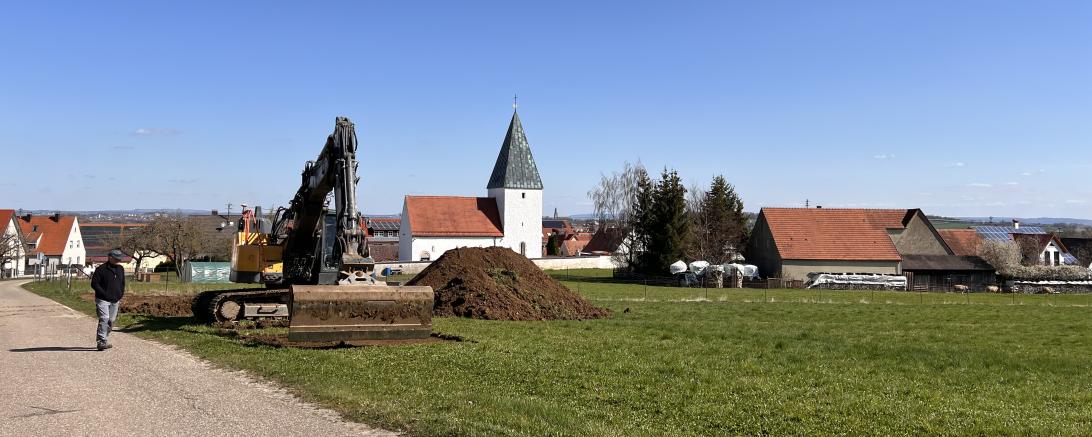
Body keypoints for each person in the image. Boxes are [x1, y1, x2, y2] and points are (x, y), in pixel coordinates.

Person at [91, 249, 126, 350]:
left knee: (111, 320)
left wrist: (120, 293)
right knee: (104, 318)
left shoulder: (120, 269)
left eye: (119, 259)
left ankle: (104, 339)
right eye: (116, 259)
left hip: (115, 299)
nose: (118, 260)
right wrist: (104, 294)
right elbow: (94, 284)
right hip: (102, 299)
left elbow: (122, 283)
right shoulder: (101, 269)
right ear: (110, 257)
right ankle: (101, 342)